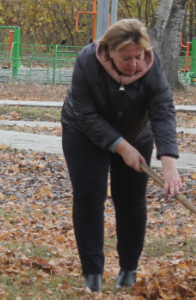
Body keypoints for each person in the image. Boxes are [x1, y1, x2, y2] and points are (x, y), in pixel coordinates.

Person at [61, 19, 181, 292]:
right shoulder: (88, 61)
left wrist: (169, 165)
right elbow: (84, 112)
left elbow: (163, 112)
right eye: (126, 58)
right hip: (84, 132)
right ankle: (92, 273)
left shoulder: (152, 65)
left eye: (138, 56)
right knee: (89, 196)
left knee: (131, 199)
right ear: (108, 51)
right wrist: (122, 147)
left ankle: (128, 269)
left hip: (137, 133)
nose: (135, 64)